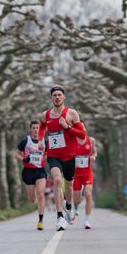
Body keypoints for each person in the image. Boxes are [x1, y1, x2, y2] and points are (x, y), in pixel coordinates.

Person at [38, 84, 87, 231]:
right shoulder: (45, 115)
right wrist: (41, 140)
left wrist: (67, 127)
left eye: (59, 95)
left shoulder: (71, 114)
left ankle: (69, 206)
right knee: (57, 180)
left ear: (64, 97)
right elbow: (41, 128)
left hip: (70, 156)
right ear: (51, 98)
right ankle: (59, 217)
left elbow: (82, 134)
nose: (57, 97)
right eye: (54, 95)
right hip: (54, 156)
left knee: (68, 186)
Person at [14, 120, 47, 230]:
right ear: (30, 129)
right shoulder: (25, 141)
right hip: (28, 171)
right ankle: (34, 201)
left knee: (41, 194)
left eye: (37, 128)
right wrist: (24, 158)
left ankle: (41, 221)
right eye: (33, 128)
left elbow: (47, 154)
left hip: (40, 170)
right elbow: (16, 154)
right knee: (32, 199)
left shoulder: (44, 141)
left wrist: (43, 158)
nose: (36, 130)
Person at [73, 135, 97, 229]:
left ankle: (86, 221)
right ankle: (80, 196)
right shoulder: (71, 140)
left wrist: (93, 156)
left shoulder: (91, 140)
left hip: (87, 173)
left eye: (83, 127)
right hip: (76, 175)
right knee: (77, 200)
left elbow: (95, 152)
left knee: (88, 194)